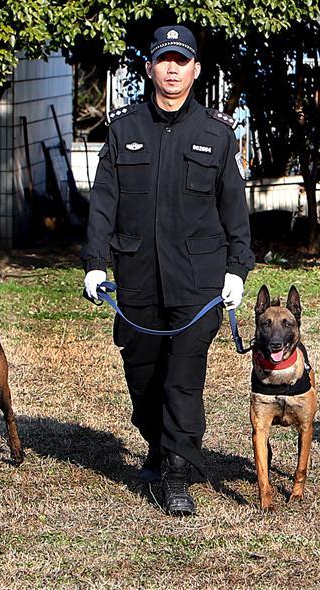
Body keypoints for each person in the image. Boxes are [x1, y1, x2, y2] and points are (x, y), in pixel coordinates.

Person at [81, 26, 254, 515]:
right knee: (143, 376)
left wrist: (237, 270)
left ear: (196, 69)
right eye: (164, 60)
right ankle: (158, 445)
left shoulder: (217, 134)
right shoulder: (124, 130)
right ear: (149, 69)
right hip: (137, 276)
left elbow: (234, 211)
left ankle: (177, 469)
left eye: (182, 60)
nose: (173, 69)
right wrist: (95, 264)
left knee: (183, 376)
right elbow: (104, 203)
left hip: (198, 281)